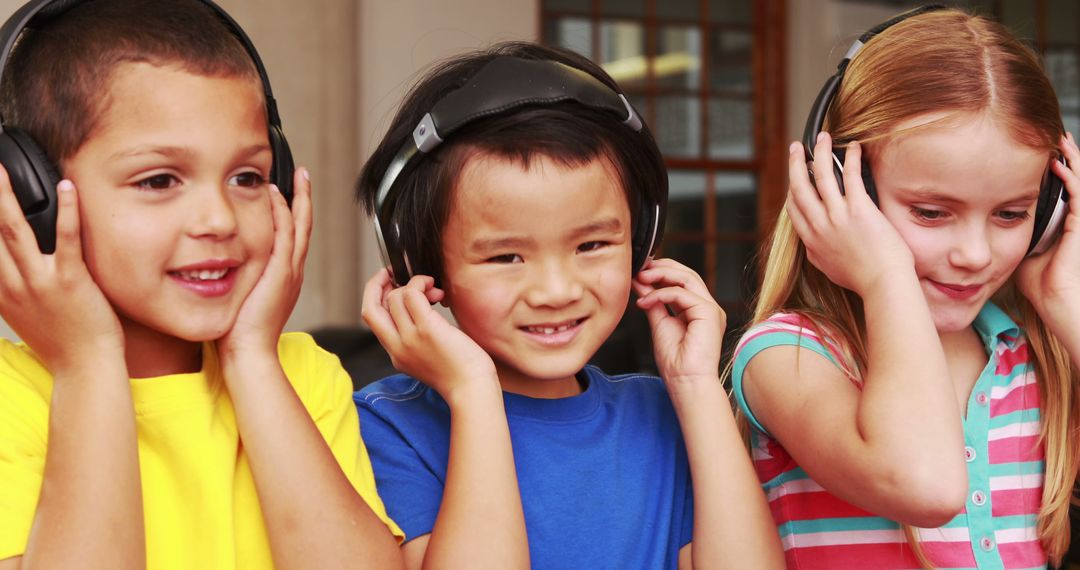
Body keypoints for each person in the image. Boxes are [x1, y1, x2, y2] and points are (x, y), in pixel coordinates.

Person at [0, 1, 403, 568]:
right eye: (159, 179)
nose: (218, 219)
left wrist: (250, 359)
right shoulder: (10, 400)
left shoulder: (300, 374)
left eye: (247, 177)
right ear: (28, 195)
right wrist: (87, 363)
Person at [354, 42, 784, 569]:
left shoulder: (662, 416)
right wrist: (473, 395)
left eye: (591, 246)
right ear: (418, 264)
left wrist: (697, 389)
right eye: (507, 256)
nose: (556, 290)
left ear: (642, 238)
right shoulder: (387, 427)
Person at [729, 6, 1080, 568]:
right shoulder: (789, 356)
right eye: (932, 213)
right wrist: (886, 274)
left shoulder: (1034, 355)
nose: (975, 254)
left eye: (1013, 214)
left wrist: (1067, 303)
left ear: (1050, 212)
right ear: (842, 188)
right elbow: (926, 485)